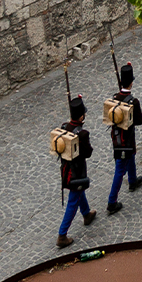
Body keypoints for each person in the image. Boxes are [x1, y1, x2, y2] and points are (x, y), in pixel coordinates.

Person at [55, 95, 96, 247]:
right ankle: (62, 235)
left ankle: (86, 214)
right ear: (81, 116)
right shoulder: (82, 134)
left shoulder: (64, 127)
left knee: (80, 192)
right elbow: (88, 153)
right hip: (76, 173)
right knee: (73, 201)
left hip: (66, 170)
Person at [104, 62, 142, 215]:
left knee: (131, 155)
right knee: (120, 170)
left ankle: (132, 180)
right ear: (131, 82)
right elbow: (139, 121)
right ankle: (112, 202)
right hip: (125, 139)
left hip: (117, 138)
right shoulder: (133, 101)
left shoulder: (114, 99)